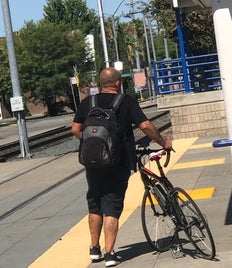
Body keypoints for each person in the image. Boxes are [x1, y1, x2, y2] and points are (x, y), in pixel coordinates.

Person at [71, 67, 173, 267]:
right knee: (112, 205)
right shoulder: (125, 102)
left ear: (101, 83)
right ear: (118, 83)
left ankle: (94, 250)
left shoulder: (87, 103)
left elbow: (75, 129)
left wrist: (93, 146)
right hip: (118, 163)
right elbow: (145, 126)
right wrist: (163, 143)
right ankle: (109, 253)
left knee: (95, 203)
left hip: (92, 163)